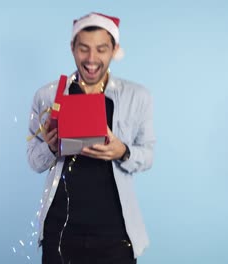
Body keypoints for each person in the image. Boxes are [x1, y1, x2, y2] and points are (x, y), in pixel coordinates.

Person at [27, 12, 155, 264]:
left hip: (116, 234)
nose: (91, 59)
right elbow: (33, 161)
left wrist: (123, 152)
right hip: (61, 232)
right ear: (72, 48)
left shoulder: (137, 96)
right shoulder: (47, 96)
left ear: (114, 50)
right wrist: (51, 149)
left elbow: (148, 154)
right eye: (83, 48)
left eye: (101, 49)